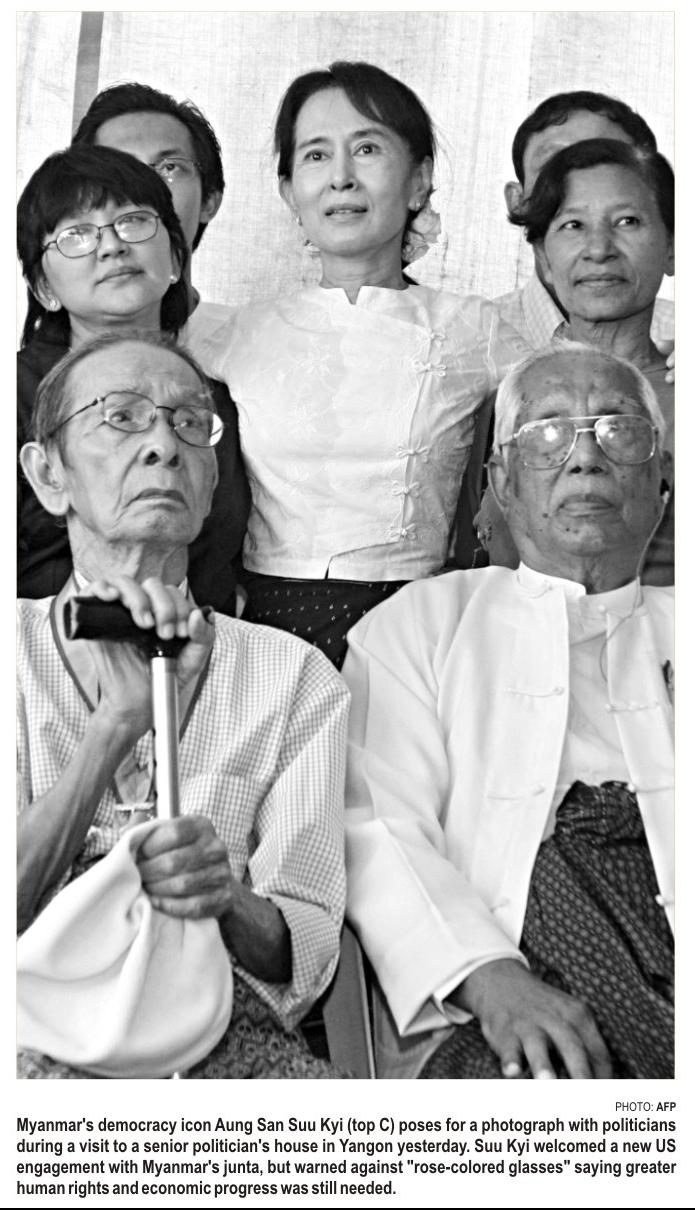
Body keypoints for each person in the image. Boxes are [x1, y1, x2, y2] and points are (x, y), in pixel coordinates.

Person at [17, 331, 349, 1079]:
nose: (164, 445)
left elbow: (305, 944)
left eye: (191, 423)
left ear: (210, 481)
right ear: (47, 475)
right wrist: (114, 727)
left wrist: (224, 896)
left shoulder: (292, 674)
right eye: (121, 417)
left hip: (218, 1030)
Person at [343, 343, 673, 1080]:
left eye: (618, 430)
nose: (584, 459)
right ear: (502, 482)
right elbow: (376, 826)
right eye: (548, 433)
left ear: (661, 482)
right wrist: (489, 979)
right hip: (498, 1001)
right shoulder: (420, 625)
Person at [189, 60, 530, 668]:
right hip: (267, 630)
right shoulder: (234, 335)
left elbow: (564, 399)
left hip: (420, 629)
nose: (341, 178)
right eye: (316, 156)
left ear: (419, 181)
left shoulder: (473, 329)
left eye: (367, 149)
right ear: (289, 192)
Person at [17, 145, 249, 607]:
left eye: (134, 221)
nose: (112, 246)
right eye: (76, 234)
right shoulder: (14, 394)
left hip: (209, 639)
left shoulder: (221, 399)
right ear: (43, 287)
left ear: (176, 261)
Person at [480, 138, 674, 586]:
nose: (599, 249)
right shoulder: (503, 402)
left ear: (672, 247)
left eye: (627, 221)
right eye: (573, 225)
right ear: (544, 259)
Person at [493, 90, 674, 354]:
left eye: (608, 160)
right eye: (554, 166)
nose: (598, 249)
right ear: (518, 201)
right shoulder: (473, 341)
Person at [72, 81, 232, 342]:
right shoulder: (36, 363)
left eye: (170, 168)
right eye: (119, 169)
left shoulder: (254, 345)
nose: (145, 187)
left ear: (209, 201)